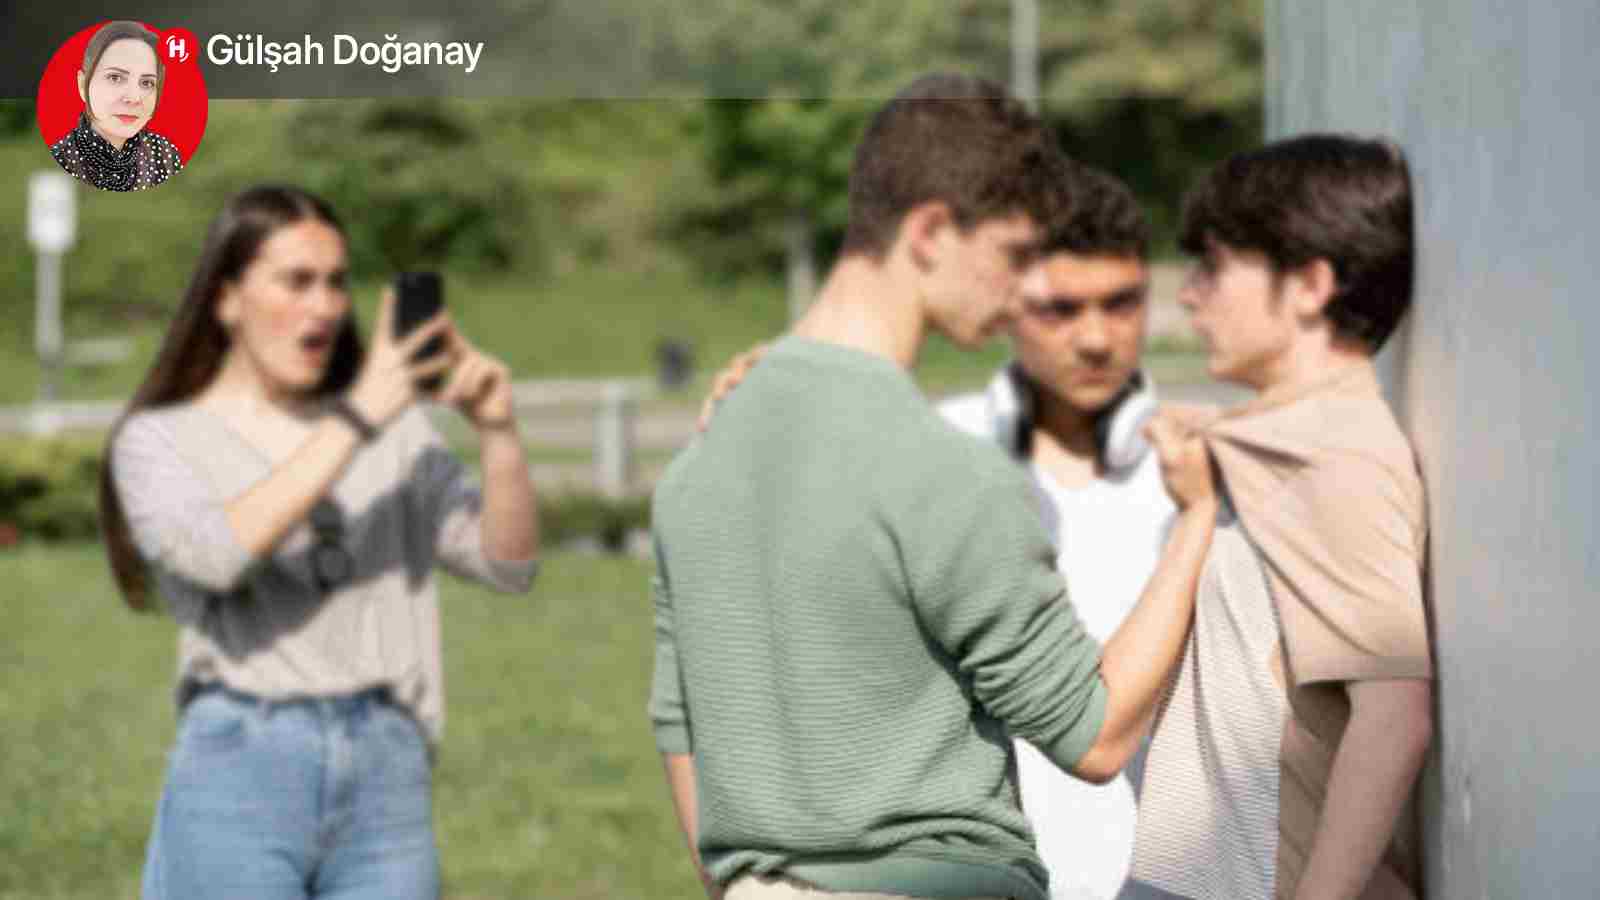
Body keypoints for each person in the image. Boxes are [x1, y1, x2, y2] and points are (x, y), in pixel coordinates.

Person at [649, 72, 1219, 900]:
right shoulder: (941, 470)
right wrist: (1199, 513)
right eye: (1014, 255)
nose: (1026, 289)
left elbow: (680, 723)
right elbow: (1094, 735)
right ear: (930, 232)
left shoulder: (700, 459)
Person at [99, 185, 540, 898]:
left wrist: (497, 430)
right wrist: (362, 412)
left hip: (385, 772)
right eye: (297, 280)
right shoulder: (160, 440)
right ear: (228, 298)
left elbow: (508, 565)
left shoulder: (394, 429)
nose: (327, 306)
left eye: (336, 282)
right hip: (240, 767)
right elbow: (216, 554)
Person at [1130, 135, 1433, 900]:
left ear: (1309, 286)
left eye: (1215, 268)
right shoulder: (1279, 447)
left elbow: (1394, 714)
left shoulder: (1336, 460)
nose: (1191, 294)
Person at [937, 163, 1178, 900]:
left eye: (1121, 303)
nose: (1098, 338)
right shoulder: (936, 453)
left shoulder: (1206, 475)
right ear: (1006, 305)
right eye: (1062, 311)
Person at [48, 20, 184, 191]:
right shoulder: (61, 159)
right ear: (83, 84)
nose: (134, 98)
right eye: (115, 78)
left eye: (147, 83)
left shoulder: (166, 156)